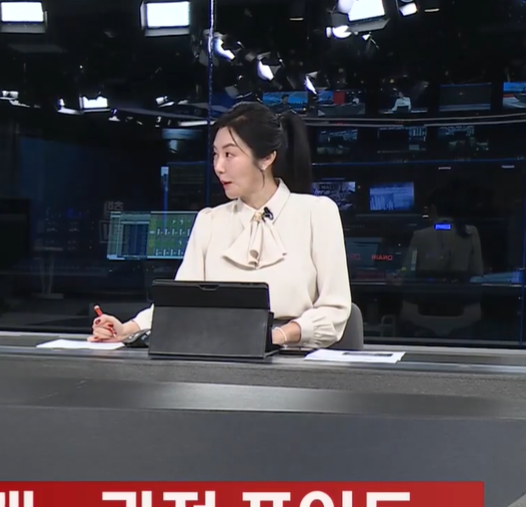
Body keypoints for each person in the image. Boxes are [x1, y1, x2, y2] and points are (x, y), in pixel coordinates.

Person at [92, 102, 351, 349]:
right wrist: (127, 329)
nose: (218, 167)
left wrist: (277, 336)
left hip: (294, 358)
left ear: (266, 158)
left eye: (229, 155)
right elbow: (180, 303)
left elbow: (335, 310)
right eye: (216, 155)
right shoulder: (210, 221)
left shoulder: (316, 213)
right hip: (218, 357)